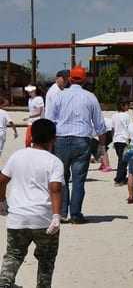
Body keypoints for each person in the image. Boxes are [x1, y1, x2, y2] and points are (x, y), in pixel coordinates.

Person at [0, 118, 63, 288]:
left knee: (14, 255)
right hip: (43, 219)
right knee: (46, 259)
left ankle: (4, 283)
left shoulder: (17, 156)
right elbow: (55, 188)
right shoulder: (54, 161)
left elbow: (2, 180)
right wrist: (56, 216)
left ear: (32, 136)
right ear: (53, 138)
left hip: (17, 217)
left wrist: (2, 201)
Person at [45, 66, 106, 224]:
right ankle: (76, 214)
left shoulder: (59, 96)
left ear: (70, 79)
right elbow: (100, 125)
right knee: (79, 179)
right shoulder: (90, 97)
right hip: (82, 140)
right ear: (84, 79)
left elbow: (49, 120)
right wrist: (102, 146)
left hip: (61, 140)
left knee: (61, 178)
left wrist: (48, 144)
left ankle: (62, 212)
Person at [112, 100, 131, 186]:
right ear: (123, 106)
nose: (128, 107)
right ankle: (119, 179)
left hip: (116, 140)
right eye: (127, 105)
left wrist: (113, 139)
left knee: (121, 159)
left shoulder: (114, 116)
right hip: (124, 140)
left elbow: (113, 129)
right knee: (123, 160)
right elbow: (129, 128)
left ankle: (123, 177)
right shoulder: (127, 116)